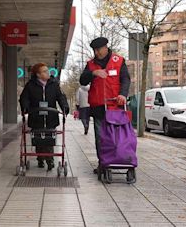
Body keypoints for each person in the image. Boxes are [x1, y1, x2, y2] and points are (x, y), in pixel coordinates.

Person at [79, 37, 130, 174]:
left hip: (115, 106)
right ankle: (103, 163)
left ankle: (118, 160)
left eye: (98, 49)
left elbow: (125, 79)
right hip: (98, 107)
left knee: (116, 138)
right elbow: (82, 81)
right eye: (94, 50)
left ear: (105, 47)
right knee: (100, 138)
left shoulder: (118, 61)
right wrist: (93, 73)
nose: (96, 53)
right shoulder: (90, 65)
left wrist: (123, 94)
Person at [19, 63, 69, 171]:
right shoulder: (30, 85)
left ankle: (49, 159)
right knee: (38, 139)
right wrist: (25, 107)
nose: (48, 73)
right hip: (36, 117)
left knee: (49, 138)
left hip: (50, 117)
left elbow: (61, 97)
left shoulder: (54, 84)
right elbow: (24, 98)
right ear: (38, 74)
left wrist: (64, 107)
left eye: (47, 70)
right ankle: (40, 158)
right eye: (44, 71)